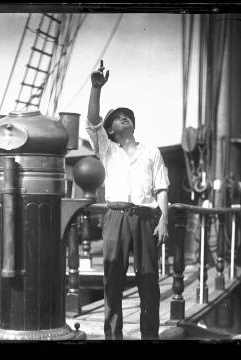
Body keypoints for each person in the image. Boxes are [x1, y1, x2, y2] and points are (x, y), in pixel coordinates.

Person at [86, 60, 170, 340]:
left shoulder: (152, 152)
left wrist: (164, 221)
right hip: (116, 217)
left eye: (127, 116)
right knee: (113, 280)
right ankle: (113, 338)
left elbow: (162, 189)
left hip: (146, 219)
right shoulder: (107, 150)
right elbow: (93, 121)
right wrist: (95, 88)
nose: (124, 118)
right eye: (118, 118)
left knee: (148, 280)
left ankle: (150, 336)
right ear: (111, 131)